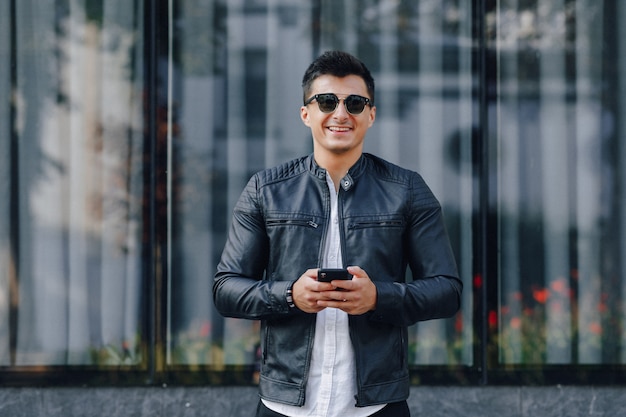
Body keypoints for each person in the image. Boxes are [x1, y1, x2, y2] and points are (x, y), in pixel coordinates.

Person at [213, 50, 462, 417]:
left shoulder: (407, 189)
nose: (341, 113)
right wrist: (289, 295)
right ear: (306, 113)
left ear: (371, 115)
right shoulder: (265, 189)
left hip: (375, 406)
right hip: (284, 405)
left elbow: (447, 290)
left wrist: (378, 297)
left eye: (355, 103)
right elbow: (226, 289)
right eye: (327, 101)